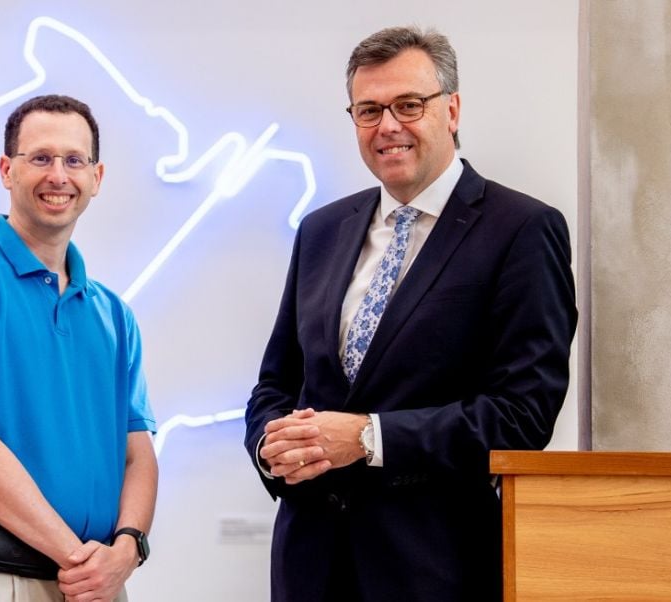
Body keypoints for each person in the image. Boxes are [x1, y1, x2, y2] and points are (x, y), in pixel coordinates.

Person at [244, 26, 577, 600]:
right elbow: (277, 381)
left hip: (435, 566)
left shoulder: (521, 229)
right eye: (368, 110)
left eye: (408, 105)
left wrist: (372, 438)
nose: (388, 126)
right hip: (309, 565)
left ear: (452, 109)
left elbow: (524, 414)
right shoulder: (322, 230)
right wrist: (271, 449)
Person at [0, 94, 157, 602]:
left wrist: (127, 551)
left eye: (74, 160)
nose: (58, 175)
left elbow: (138, 456)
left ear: (96, 177)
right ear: (6, 170)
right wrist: (79, 560)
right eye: (40, 158)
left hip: (95, 583)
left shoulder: (114, 315)